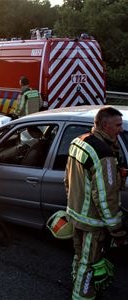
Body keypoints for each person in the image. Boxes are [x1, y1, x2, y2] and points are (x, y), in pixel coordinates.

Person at [65, 106, 127, 300]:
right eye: (117, 125)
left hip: (75, 215)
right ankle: (82, 295)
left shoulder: (78, 142)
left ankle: (76, 284)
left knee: (79, 257)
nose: (121, 129)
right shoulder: (103, 154)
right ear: (104, 124)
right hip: (93, 223)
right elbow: (105, 198)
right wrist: (117, 231)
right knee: (90, 264)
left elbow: (67, 179)